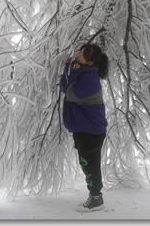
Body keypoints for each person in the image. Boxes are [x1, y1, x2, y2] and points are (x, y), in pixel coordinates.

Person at [60, 43, 109, 212]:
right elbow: (64, 87)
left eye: (82, 53)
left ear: (89, 62)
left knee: (89, 164)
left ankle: (96, 198)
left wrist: (71, 71)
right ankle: (95, 195)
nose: (77, 53)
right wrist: (69, 68)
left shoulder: (90, 79)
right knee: (87, 163)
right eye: (80, 50)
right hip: (85, 128)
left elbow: (70, 93)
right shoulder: (84, 72)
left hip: (91, 131)